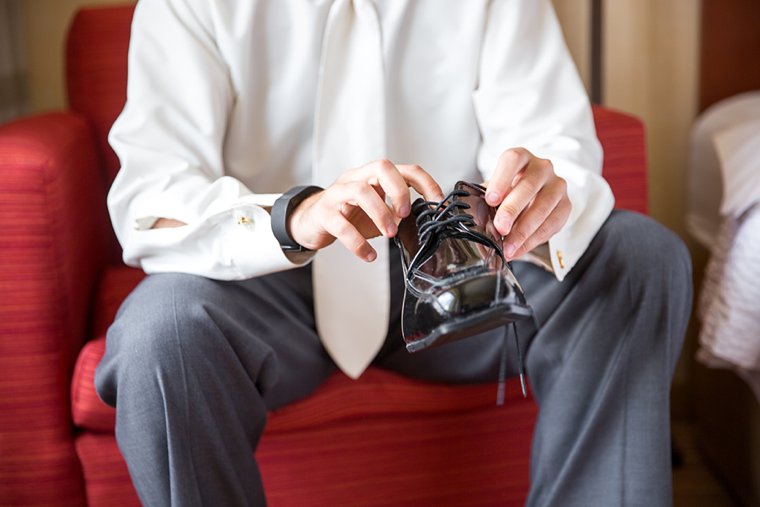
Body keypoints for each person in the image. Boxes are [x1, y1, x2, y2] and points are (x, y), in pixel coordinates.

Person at [94, 0, 693, 505]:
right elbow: (152, 193)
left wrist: (543, 187)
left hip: (457, 276)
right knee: (160, 330)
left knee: (637, 255)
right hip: (267, 282)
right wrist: (296, 215)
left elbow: (551, 139)